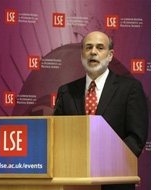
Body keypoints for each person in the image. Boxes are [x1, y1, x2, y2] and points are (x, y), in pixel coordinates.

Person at [53, 31, 149, 190]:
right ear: (82, 54)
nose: (93, 52)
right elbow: (56, 135)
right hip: (74, 181)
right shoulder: (66, 91)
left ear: (110, 55)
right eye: (88, 47)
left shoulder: (130, 88)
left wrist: (103, 162)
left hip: (115, 181)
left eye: (100, 47)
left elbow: (136, 138)